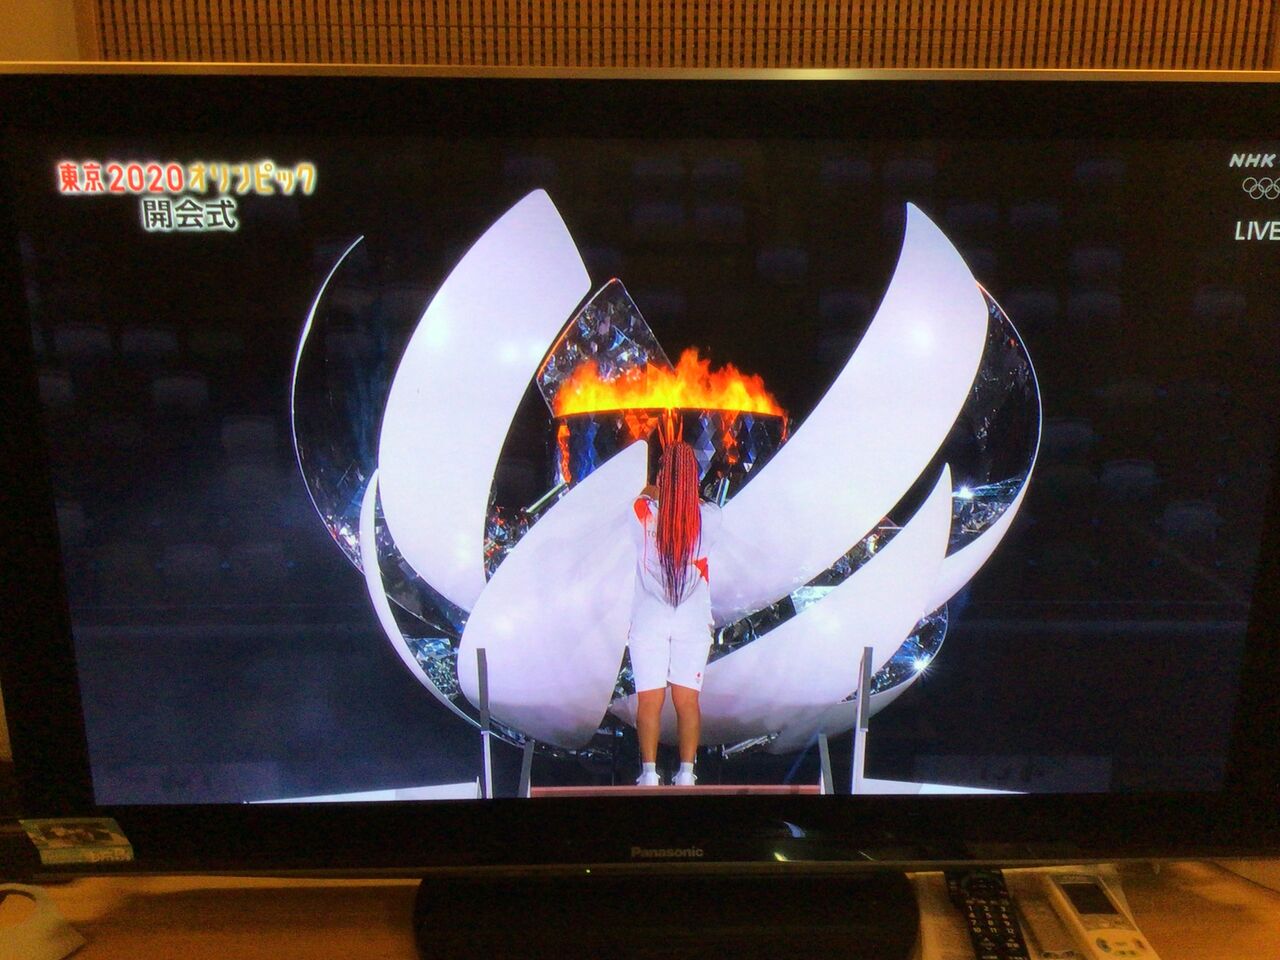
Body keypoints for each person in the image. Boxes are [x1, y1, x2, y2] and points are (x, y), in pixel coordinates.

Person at [628, 440, 720, 786]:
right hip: (692, 618)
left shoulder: (643, 512)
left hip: (649, 617)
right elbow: (698, 504)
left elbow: (644, 494)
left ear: (662, 475)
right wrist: (684, 490)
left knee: (649, 700)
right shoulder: (710, 517)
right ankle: (686, 774)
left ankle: (649, 774)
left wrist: (659, 488)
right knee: (687, 700)